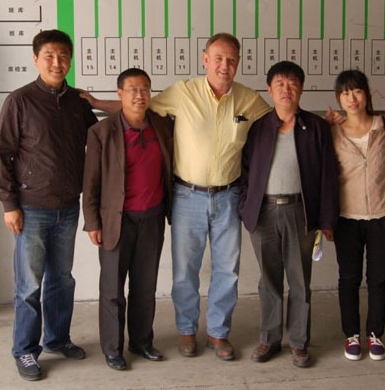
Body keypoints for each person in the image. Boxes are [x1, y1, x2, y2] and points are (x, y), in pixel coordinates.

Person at [81, 33, 270, 360]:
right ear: (205, 59)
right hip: (187, 196)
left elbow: (281, 120)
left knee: (228, 270)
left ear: (238, 63)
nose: (224, 66)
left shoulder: (249, 100)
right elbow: (138, 105)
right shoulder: (183, 93)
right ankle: (186, 331)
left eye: (231, 60)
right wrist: (97, 103)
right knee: (185, 271)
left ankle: (218, 333)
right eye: (218, 58)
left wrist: (330, 124)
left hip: (228, 196)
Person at [0, 29, 97, 381]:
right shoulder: (20, 101)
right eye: (49, 55)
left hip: (68, 206)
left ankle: (57, 338)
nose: (57, 62)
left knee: (62, 280)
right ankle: (25, 350)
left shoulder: (77, 104)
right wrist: (9, 203)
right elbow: (2, 154)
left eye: (63, 56)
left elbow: (97, 142)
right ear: (36, 59)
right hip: (31, 208)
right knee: (29, 285)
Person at [239, 61, 339, 368]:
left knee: (299, 280)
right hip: (264, 213)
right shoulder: (258, 128)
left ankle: (298, 342)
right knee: (268, 280)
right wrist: (246, 207)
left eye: (293, 83)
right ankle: (269, 339)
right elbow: (244, 171)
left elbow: (328, 175)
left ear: (302, 89)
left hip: (300, 212)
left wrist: (327, 220)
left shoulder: (316, 127)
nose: (286, 89)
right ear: (269, 90)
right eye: (280, 84)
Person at [82, 68, 174, 371]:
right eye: (133, 89)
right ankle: (112, 349)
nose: (139, 95)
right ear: (119, 93)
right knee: (112, 289)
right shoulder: (102, 132)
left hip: (152, 219)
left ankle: (142, 342)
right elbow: (91, 182)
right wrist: (92, 222)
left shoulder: (162, 125)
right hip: (115, 222)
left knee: (145, 287)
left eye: (145, 89)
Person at [330, 69, 385, 361]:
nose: (351, 98)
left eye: (356, 91)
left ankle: (375, 334)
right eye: (345, 93)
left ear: (367, 94)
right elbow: (323, 177)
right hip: (346, 219)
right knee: (349, 278)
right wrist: (326, 220)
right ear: (338, 98)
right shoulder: (333, 132)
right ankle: (352, 335)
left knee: (379, 279)